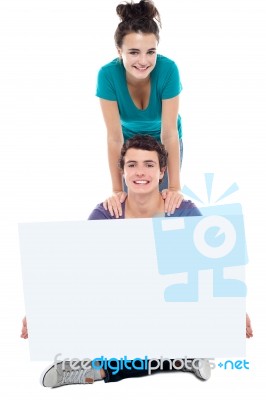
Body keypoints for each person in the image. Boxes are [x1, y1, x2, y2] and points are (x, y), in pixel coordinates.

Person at [21, 135, 253, 388]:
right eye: (132, 165)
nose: (140, 172)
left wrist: (233, 310)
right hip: (124, 305)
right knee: (113, 327)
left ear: (162, 171)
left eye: (149, 164)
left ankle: (105, 370)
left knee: (186, 327)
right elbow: (79, 272)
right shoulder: (105, 214)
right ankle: (178, 360)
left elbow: (209, 269)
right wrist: (40, 311)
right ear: (122, 171)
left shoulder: (183, 211)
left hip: (171, 308)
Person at [96, 0, 184, 218]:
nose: (143, 61)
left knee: (165, 202)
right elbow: (114, 138)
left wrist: (174, 188)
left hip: (166, 143)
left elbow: (169, 133)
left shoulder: (169, 70)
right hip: (129, 145)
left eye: (150, 52)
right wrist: (117, 190)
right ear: (120, 51)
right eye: (134, 52)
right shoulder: (107, 75)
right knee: (129, 206)